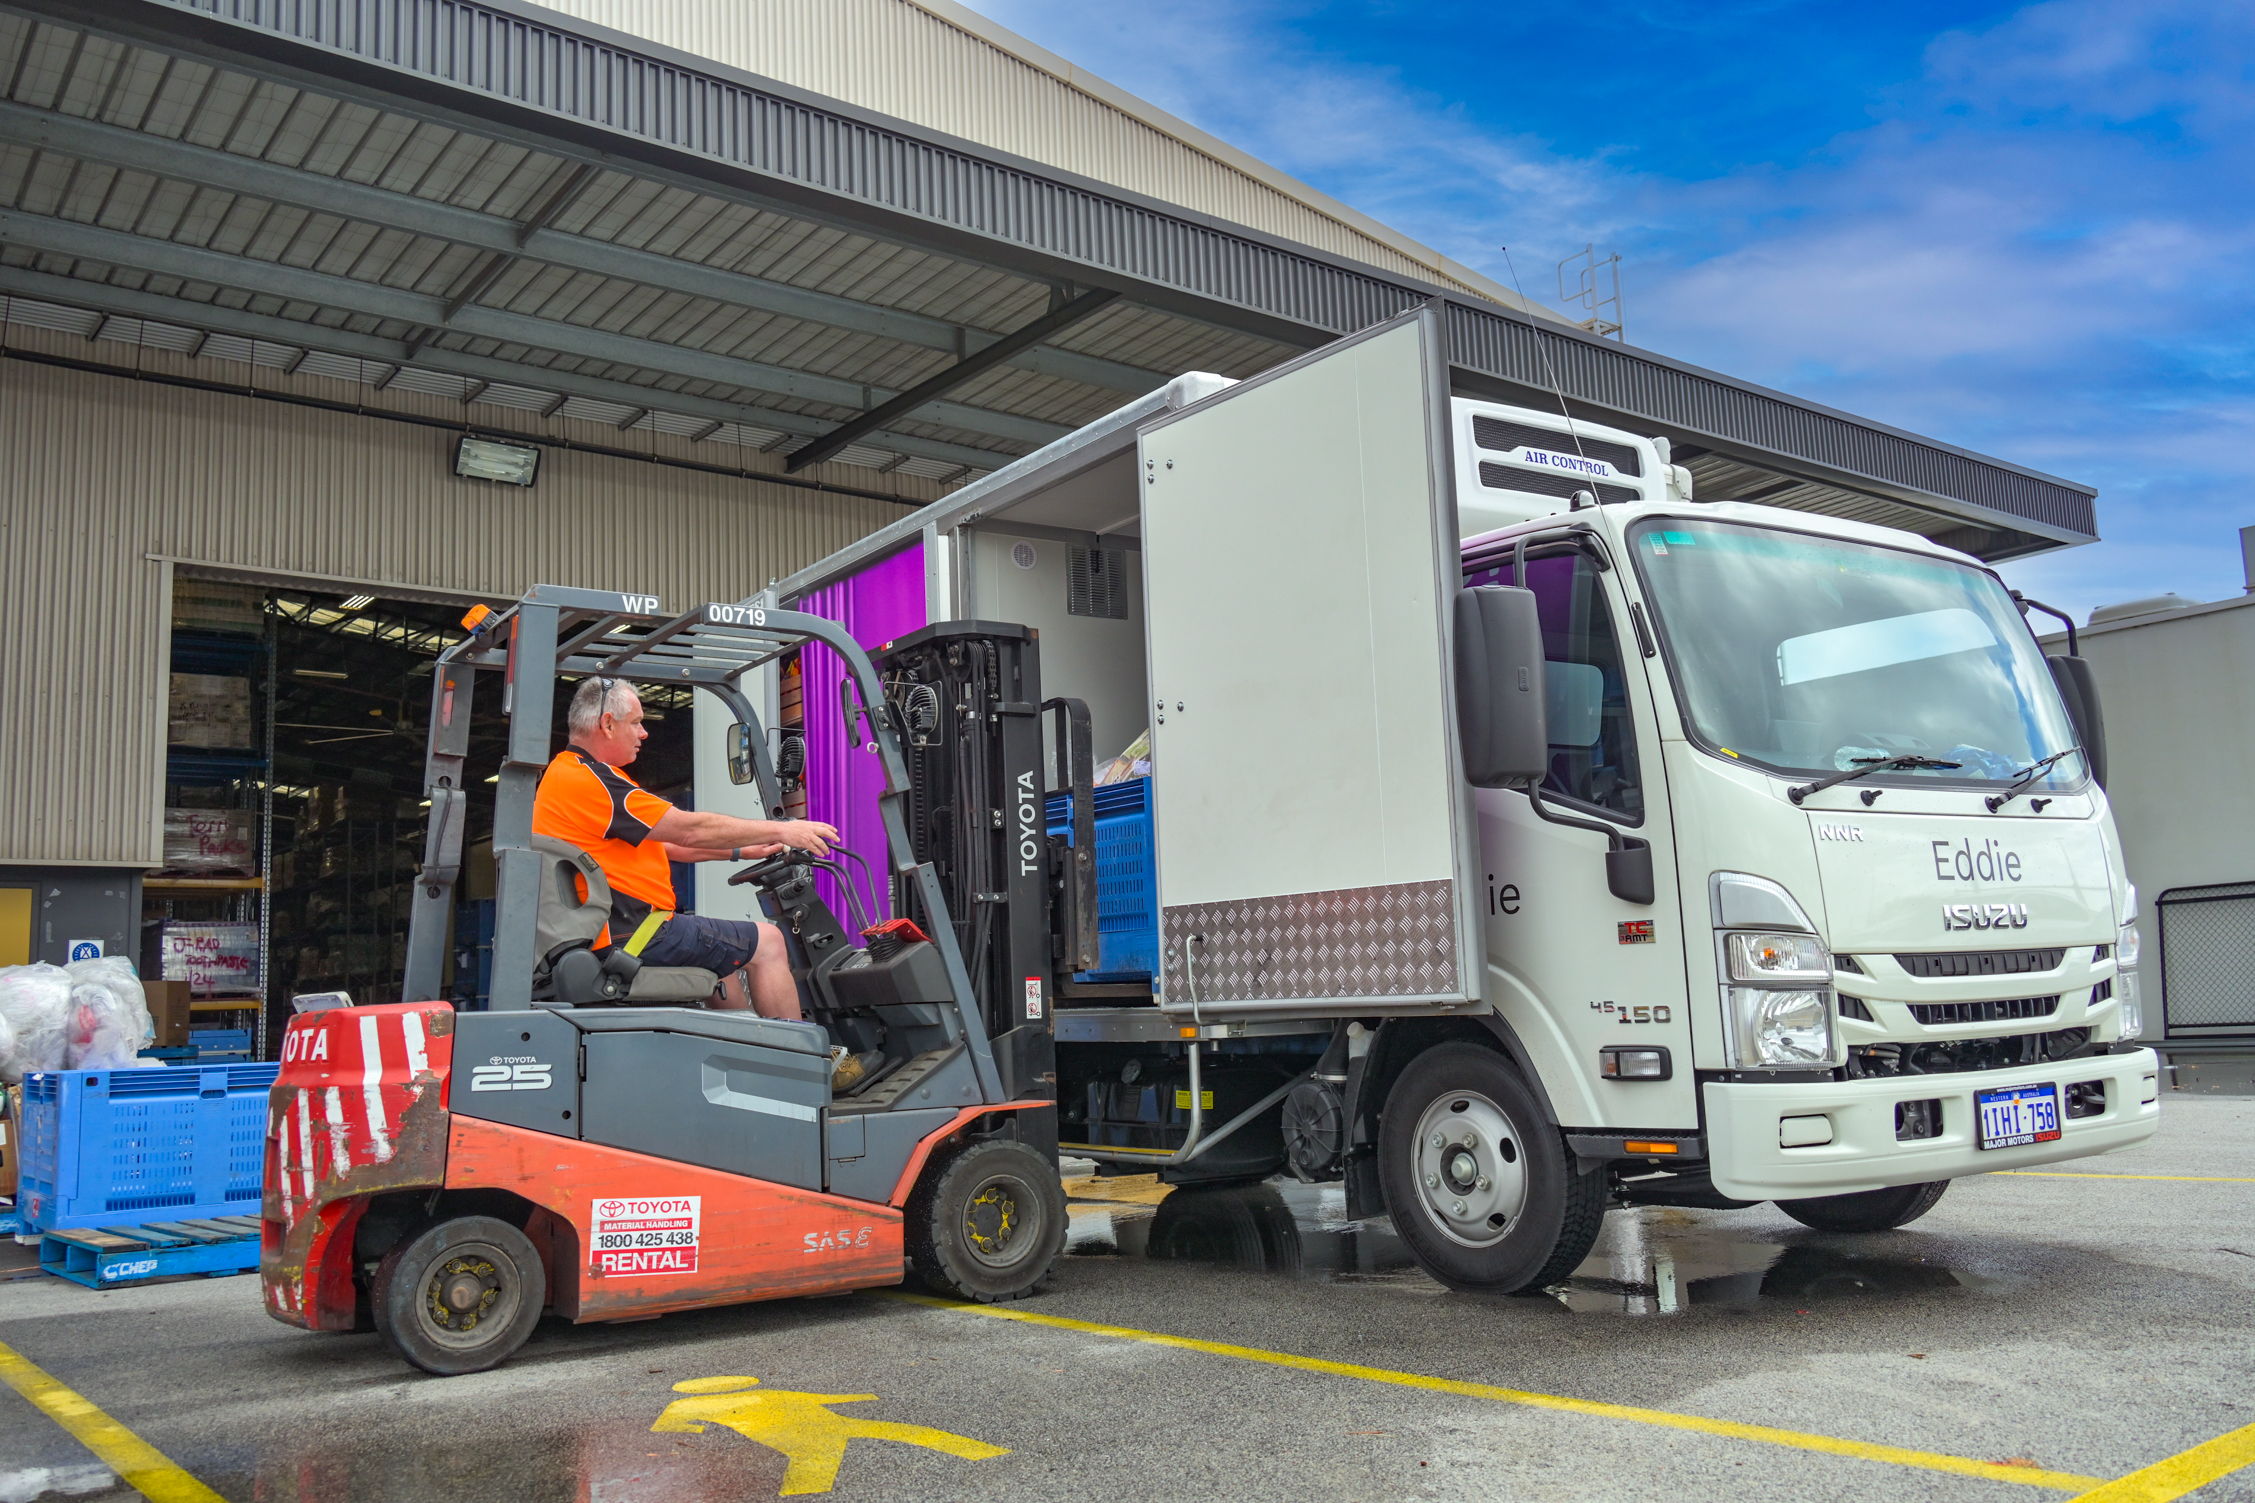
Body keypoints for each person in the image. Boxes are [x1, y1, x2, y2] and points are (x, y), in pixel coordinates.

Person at [532, 675, 837, 1022]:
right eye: (636, 723)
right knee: (767, 943)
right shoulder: (593, 782)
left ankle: (749, 1054)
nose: (644, 733)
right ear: (607, 723)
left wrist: (741, 851)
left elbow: (667, 846)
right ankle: (797, 1060)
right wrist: (787, 829)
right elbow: (688, 830)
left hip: (615, 931)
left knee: (723, 957)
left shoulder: (565, 777)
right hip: (634, 934)